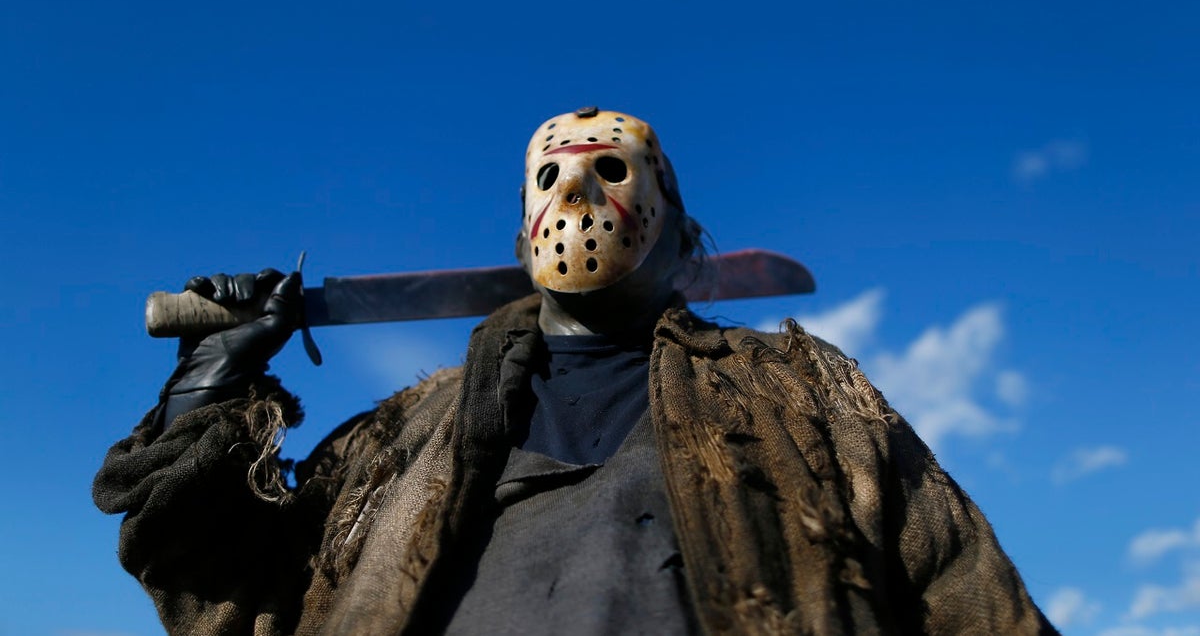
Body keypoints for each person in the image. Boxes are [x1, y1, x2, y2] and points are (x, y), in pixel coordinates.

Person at [94, 107, 1057, 635]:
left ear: (684, 233)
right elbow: (230, 595)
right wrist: (206, 391)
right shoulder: (402, 440)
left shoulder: (806, 402)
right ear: (521, 232)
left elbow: (970, 600)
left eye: (613, 169)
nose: (579, 192)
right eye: (551, 176)